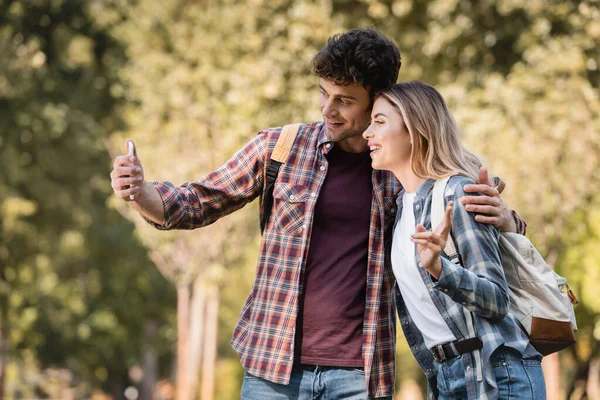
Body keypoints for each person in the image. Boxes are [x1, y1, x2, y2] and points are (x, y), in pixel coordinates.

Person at [110, 29, 524, 399]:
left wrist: (506, 218)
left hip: (360, 375)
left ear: (377, 100)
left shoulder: (404, 166)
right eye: (324, 93)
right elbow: (195, 202)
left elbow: (493, 232)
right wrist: (140, 192)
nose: (328, 109)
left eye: (345, 101)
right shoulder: (280, 148)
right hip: (272, 369)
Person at [362, 80, 545, 399]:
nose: (368, 133)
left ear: (415, 129)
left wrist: (439, 269)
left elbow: (496, 301)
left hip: (496, 373)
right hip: (446, 375)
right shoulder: (401, 208)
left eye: (379, 122)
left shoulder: (458, 194)